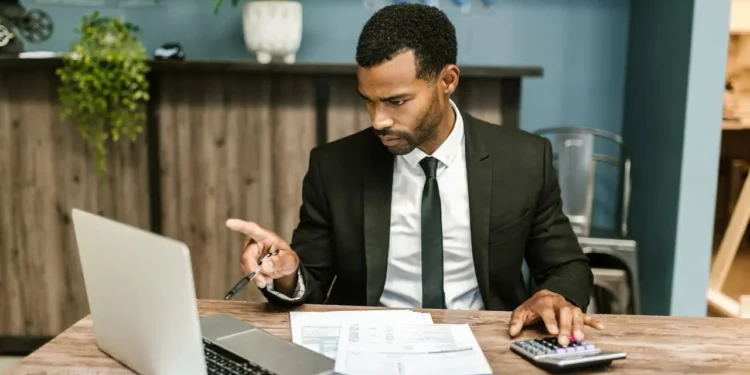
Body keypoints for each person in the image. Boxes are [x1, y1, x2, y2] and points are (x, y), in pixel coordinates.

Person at [226, 3, 602, 346]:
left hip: (488, 342)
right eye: (368, 101)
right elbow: (312, 282)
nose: (379, 120)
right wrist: (286, 273)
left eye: (396, 101)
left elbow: (566, 265)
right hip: (370, 347)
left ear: (447, 81)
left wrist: (557, 295)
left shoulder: (522, 160)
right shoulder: (334, 167)